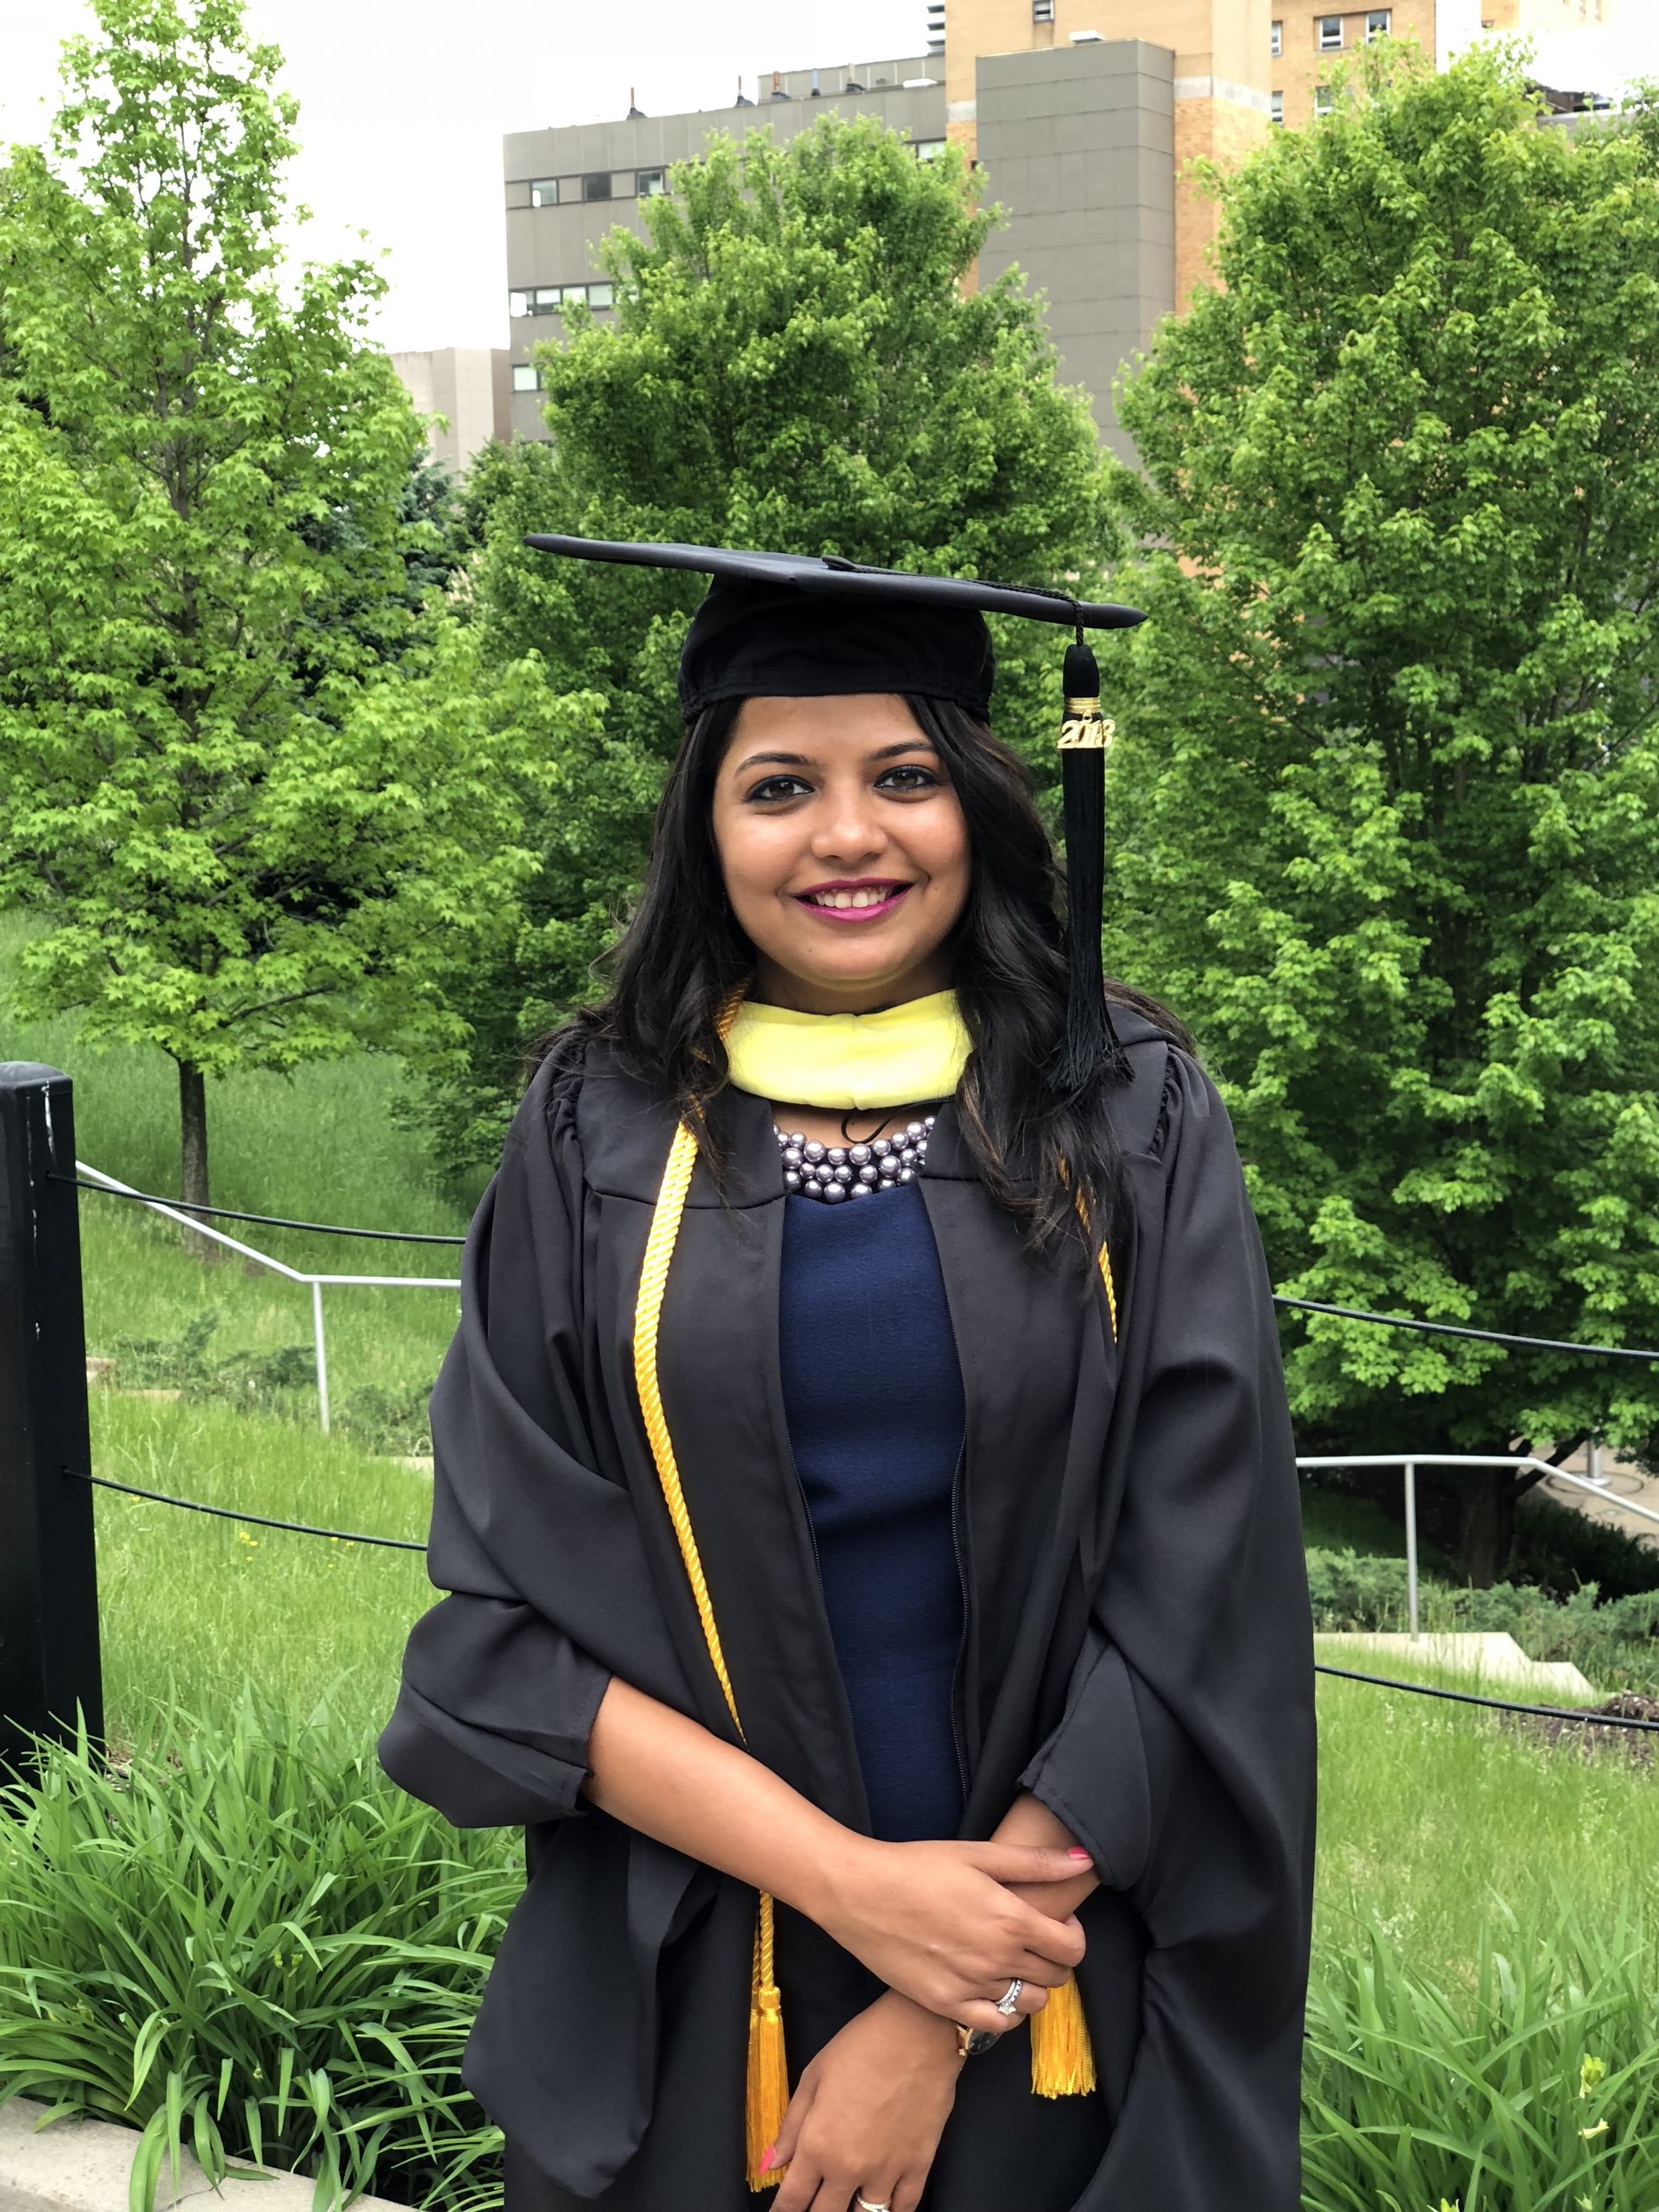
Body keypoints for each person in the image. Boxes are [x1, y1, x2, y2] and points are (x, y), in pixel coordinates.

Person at [378, 540, 1317, 2212]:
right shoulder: (594, 1125)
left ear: (980, 800)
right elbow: (503, 1620)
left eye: (902, 776)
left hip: (1044, 1973)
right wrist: (855, 1891)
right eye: (778, 785)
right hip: (689, 1955)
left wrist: (928, 2008)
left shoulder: (1128, 1113)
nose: (847, 835)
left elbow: (1200, 1599)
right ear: (703, 825)